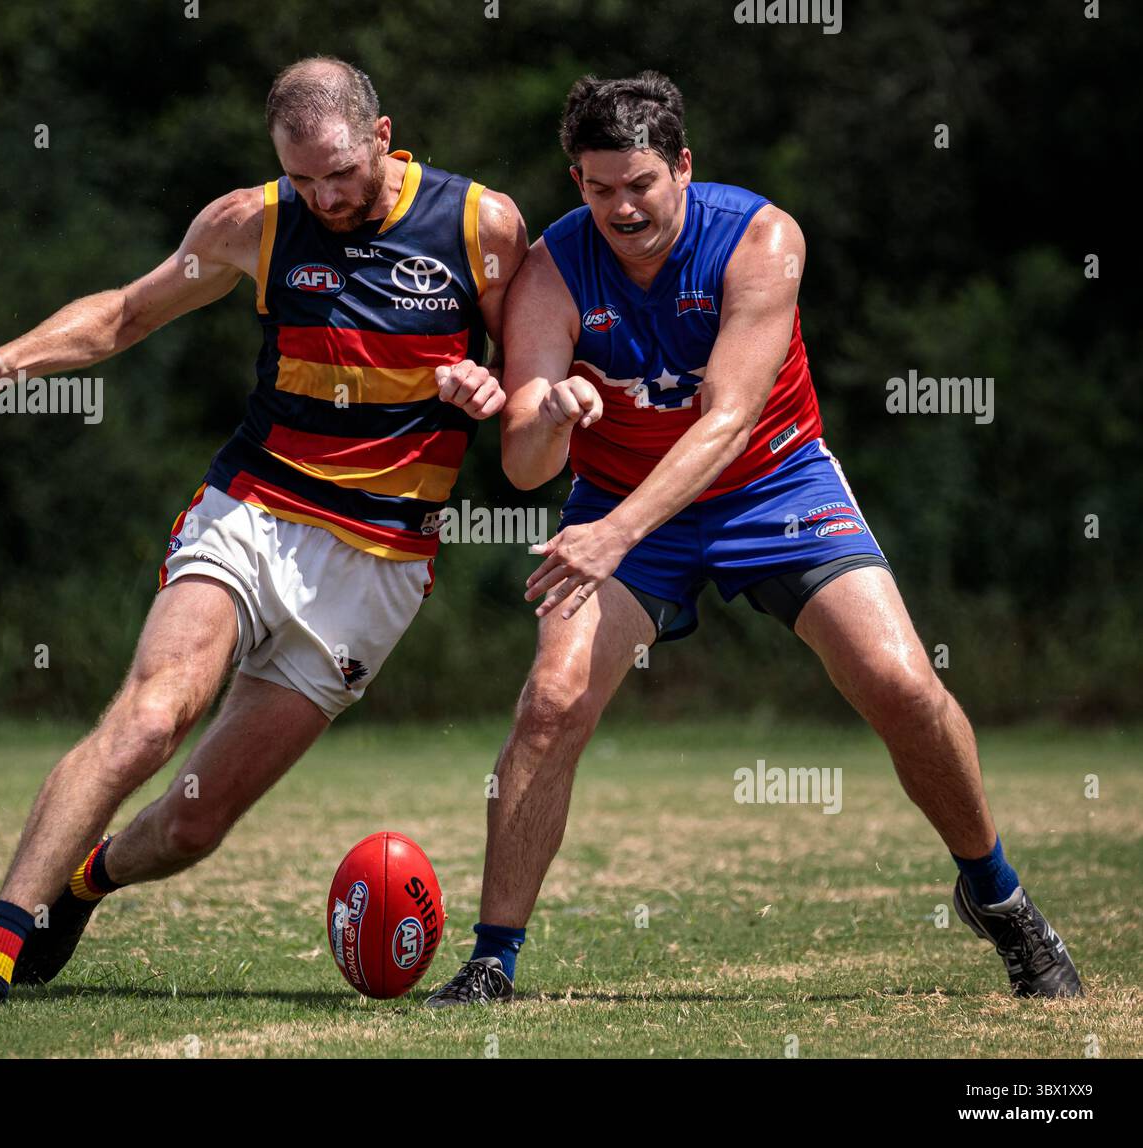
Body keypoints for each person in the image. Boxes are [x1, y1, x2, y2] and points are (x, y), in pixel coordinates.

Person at [424, 71, 1080, 1007]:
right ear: (577, 182)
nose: (623, 208)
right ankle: (494, 963)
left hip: (773, 480)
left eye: (641, 184)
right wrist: (553, 416)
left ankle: (998, 896)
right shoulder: (551, 269)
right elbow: (526, 465)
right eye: (600, 188)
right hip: (617, 495)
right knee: (551, 699)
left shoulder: (761, 238)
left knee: (899, 681)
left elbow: (728, 421)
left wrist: (613, 532)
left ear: (682, 167)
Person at [0, 56, 526, 1007]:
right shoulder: (253, 220)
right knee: (152, 716)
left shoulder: (480, 225)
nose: (325, 195)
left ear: (383, 135)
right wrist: (7, 361)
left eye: (343, 173)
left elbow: (529, 379)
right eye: (304, 177)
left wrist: (493, 391)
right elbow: (127, 312)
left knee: (193, 829)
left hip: (378, 564)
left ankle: (87, 882)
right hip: (256, 509)